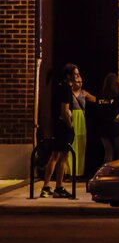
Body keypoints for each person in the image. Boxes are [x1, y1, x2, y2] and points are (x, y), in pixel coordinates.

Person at [40, 64, 82, 198]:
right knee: (58, 156)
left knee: (61, 157)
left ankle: (58, 186)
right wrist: (70, 126)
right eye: (75, 74)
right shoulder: (65, 89)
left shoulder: (59, 87)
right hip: (63, 128)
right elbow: (64, 111)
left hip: (58, 126)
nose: (77, 76)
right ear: (69, 75)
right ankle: (48, 186)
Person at [67, 65, 95, 179]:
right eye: (77, 81)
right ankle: (69, 172)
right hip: (73, 118)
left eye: (81, 81)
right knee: (72, 145)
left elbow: (96, 100)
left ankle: (79, 172)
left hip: (81, 120)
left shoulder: (84, 93)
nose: (80, 82)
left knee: (81, 145)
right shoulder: (68, 92)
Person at [94, 73, 119, 166]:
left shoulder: (100, 96)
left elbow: (97, 112)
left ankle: (105, 176)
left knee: (108, 154)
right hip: (117, 129)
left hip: (104, 129)